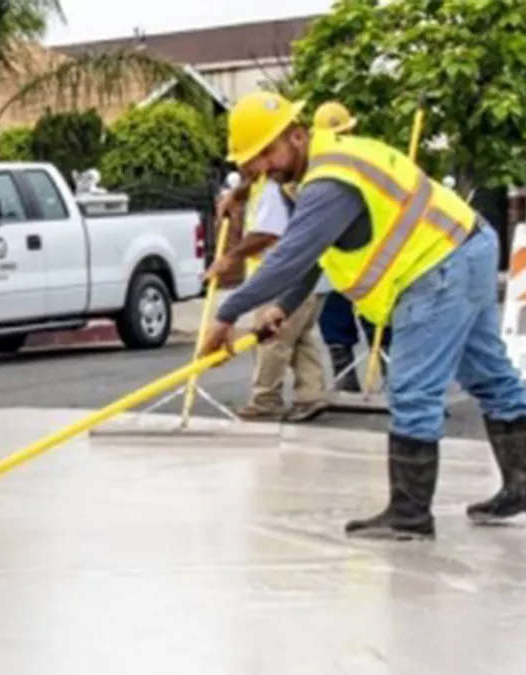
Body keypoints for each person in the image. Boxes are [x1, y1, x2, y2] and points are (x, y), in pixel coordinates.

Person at [199, 91, 526, 540]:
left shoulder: (329, 180)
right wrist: (281, 307)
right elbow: (316, 255)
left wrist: (226, 314)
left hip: (438, 266)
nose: (261, 167)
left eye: (267, 153)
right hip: (464, 247)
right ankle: (521, 483)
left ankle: (410, 516)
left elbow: (292, 256)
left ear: (297, 136)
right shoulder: (320, 170)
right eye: (252, 161)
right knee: (490, 375)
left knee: (412, 390)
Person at [205, 165, 330, 423]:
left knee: (271, 340)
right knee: (298, 339)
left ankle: (265, 400)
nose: (242, 166)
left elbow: (267, 233)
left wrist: (231, 257)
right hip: (309, 280)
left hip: (284, 283)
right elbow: (253, 183)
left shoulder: (271, 190)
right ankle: (311, 394)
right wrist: (236, 196)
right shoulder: (271, 183)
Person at [310, 101, 391, 392]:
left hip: (370, 258)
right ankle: (346, 376)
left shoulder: (366, 162)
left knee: (379, 321)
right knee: (334, 321)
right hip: (336, 263)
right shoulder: (315, 172)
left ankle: (392, 377)